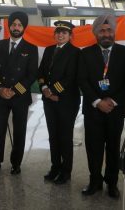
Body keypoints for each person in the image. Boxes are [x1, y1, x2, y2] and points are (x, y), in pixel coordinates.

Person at [78, 14, 125, 198]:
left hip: (115, 110)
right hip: (93, 109)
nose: (106, 34)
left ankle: (112, 183)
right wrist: (97, 102)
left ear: (114, 32)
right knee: (93, 147)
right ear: (96, 33)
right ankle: (94, 180)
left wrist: (113, 101)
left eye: (109, 30)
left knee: (113, 147)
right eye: (102, 30)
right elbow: (82, 80)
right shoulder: (85, 53)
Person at [0, 11, 38, 175]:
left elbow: (32, 74)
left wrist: (14, 91)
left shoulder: (31, 48)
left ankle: (16, 163)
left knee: (19, 131)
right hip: (1, 95)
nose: (16, 27)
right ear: (9, 26)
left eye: (19, 25)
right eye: (14, 24)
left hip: (19, 97)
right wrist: (0, 88)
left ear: (24, 28)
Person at [37, 21, 81, 184]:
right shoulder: (49, 50)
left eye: (64, 32)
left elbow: (71, 77)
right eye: (58, 32)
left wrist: (55, 92)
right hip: (49, 100)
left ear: (70, 36)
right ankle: (55, 166)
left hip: (66, 101)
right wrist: (45, 89)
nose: (60, 35)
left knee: (65, 136)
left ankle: (66, 171)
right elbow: (41, 72)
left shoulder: (75, 52)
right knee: (53, 136)